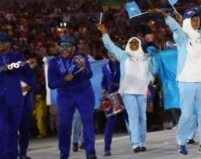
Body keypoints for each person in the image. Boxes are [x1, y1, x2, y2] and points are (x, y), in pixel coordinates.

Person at [150, 0, 201, 155]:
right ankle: (181, 142)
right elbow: (175, 27)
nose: (197, 21)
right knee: (187, 114)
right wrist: (164, 15)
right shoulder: (182, 37)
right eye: (193, 19)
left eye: (198, 19)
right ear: (187, 21)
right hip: (187, 82)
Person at [98, 24, 158, 154]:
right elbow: (111, 46)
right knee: (133, 117)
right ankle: (135, 144)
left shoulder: (146, 58)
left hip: (141, 91)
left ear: (140, 46)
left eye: (137, 44)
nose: (134, 46)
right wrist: (104, 33)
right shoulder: (124, 56)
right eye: (132, 44)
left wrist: (151, 79)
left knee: (143, 117)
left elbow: (152, 73)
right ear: (128, 46)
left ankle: (142, 143)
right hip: (128, 92)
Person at [0, 32, 37, 159]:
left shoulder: (18, 58)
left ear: (9, 43)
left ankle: (12, 156)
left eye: (4, 41)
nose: (0, 43)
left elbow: (29, 74)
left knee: (12, 131)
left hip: (15, 100)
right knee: (2, 129)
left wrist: (31, 85)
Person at [47, 35, 97, 159]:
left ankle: (90, 152)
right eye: (62, 46)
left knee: (87, 120)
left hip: (84, 92)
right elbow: (51, 84)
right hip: (65, 95)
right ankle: (64, 154)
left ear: (74, 48)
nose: (64, 49)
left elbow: (89, 75)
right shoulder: (53, 63)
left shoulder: (82, 57)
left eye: (67, 46)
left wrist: (84, 69)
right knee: (63, 125)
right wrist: (64, 79)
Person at [100, 51, 129, 156]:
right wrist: (103, 88)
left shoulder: (124, 64)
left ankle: (136, 143)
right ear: (107, 54)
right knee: (110, 122)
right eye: (110, 53)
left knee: (129, 119)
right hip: (111, 97)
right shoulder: (105, 67)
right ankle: (106, 148)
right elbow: (104, 80)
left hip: (123, 95)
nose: (112, 54)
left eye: (114, 52)